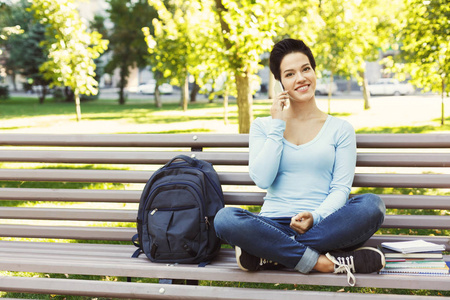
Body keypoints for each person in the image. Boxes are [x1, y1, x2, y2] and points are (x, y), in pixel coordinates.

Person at [214, 38, 386, 286]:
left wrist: (315, 217)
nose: (301, 78)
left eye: (306, 69)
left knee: (372, 205)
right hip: (270, 224)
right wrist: (277, 126)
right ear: (280, 83)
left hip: (323, 224)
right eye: (290, 73)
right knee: (225, 219)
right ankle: (324, 263)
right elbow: (262, 179)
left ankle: (271, 255)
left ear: (314, 71)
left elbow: (340, 189)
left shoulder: (341, 129)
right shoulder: (264, 126)